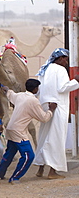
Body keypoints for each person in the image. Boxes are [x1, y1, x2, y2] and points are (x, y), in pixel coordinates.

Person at [0, 79, 57, 184]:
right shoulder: (33, 101)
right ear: (35, 89)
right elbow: (44, 118)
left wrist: (6, 89)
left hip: (10, 128)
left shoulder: (20, 95)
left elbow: (10, 94)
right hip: (18, 131)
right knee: (29, 156)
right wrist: (51, 110)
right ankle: (15, 177)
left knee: (10, 152)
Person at [33, 48, 79, 179]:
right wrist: (76, 81)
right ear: (59, 58)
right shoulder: (60, 70)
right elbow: (62, 87)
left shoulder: (45, 68)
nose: (66, 61)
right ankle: (52, 171)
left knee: (44, 136)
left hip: (46, 106)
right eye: (64, 59)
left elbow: (39, 89)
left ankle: (40, 169)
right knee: (56, 138)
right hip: (58, 107)